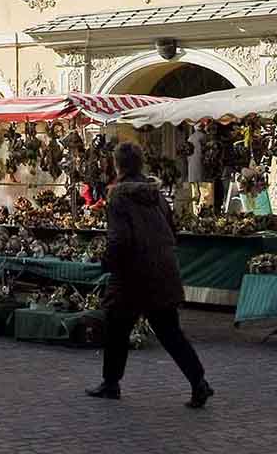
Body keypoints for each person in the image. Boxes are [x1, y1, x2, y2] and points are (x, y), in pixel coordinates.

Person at [86, 142, 211, 408]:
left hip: (132, 273)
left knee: (117, 328)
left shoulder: (118, 196)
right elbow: (172, 229)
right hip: (163, 268)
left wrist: (107, 261)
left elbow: (119, 238)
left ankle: (111, 383)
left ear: (118, 165)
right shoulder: (156, 195)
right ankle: (198, 381)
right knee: (169, 331)